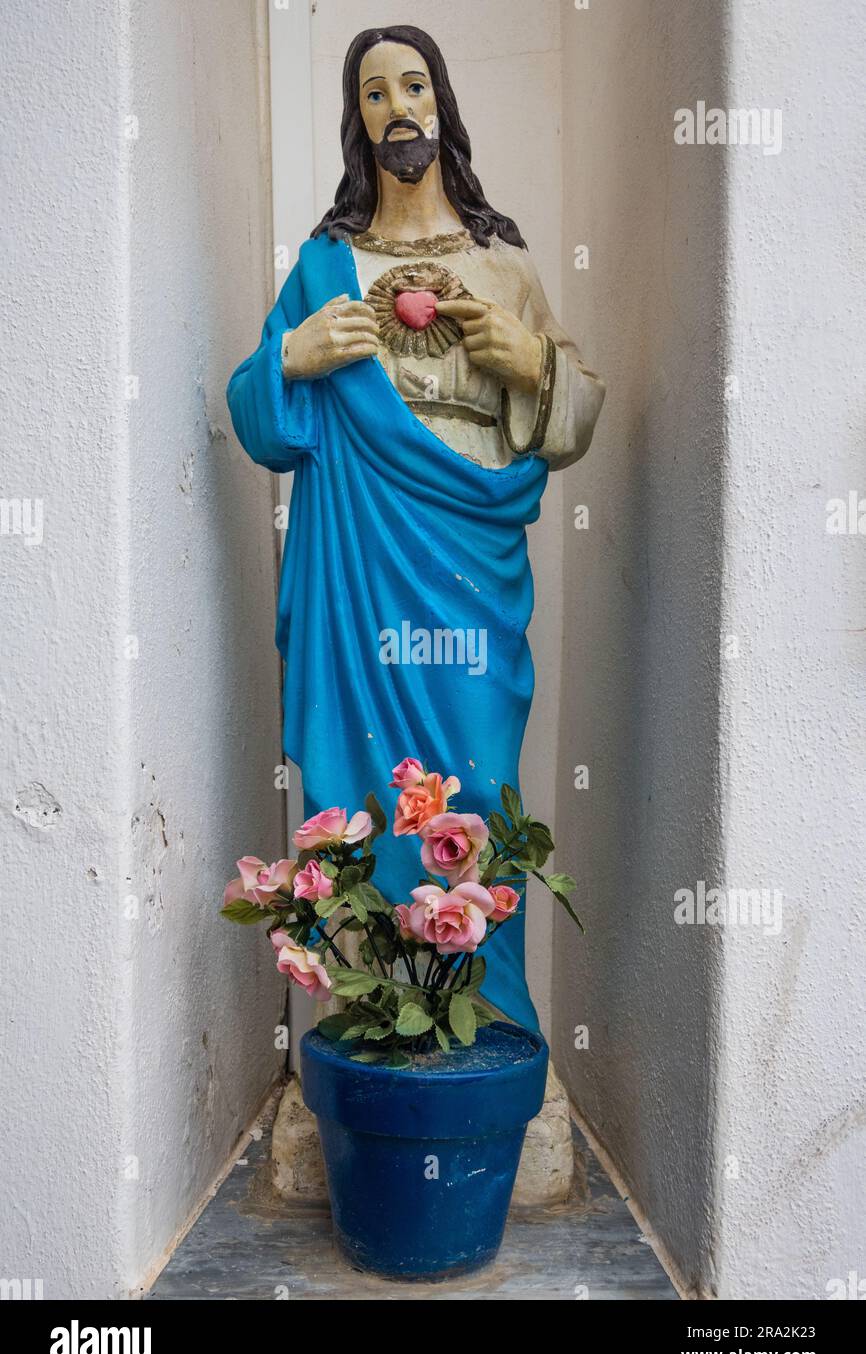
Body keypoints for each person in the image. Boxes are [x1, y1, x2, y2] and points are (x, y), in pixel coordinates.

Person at [227, 25, 605, 1032]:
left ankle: (483, 1019)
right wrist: (293, 357)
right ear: (357, 120)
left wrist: (529, 363)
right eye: (373, 91)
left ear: (440, 102)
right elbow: (254, 411)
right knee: (363, 780)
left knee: (476, 776)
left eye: (412, 83)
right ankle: (382, 1016)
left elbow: (578, 409)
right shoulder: (322, 267)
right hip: (364, 563)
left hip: (468, 558)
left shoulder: (502, 262)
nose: (396, 105)